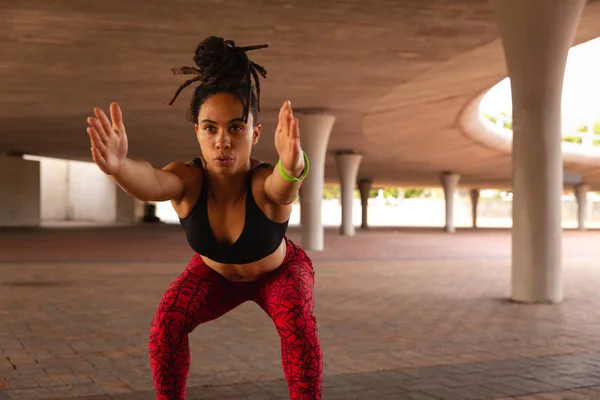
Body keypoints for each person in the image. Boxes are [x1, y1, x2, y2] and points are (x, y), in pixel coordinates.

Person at [85, 36, 322, 400]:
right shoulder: (188, 181)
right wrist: (118, 168)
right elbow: (151, 183)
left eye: (236, 128)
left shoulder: (262, 183)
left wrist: (293, 165)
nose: (222, 141)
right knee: (167, 324)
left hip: (280, 274)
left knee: (297, 326)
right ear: (196, 131)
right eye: (210, 128)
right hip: (214, 275)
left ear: (256, 133)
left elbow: (283, 188)